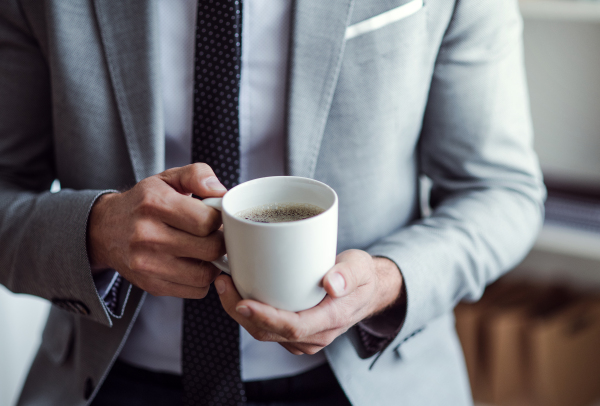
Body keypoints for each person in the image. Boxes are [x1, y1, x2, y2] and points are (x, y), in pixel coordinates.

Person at [0, 0, 545, 405]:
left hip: (367, 379)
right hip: (108, 381)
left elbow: (500, 192)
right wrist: (95, 233)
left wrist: (383, 284)